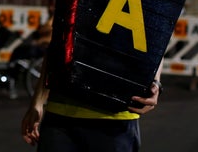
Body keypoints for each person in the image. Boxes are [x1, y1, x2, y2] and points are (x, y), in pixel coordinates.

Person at [20, 53, 162, 151]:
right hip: (62, 112)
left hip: (116, 117)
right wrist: (37, 102)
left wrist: (155, 83)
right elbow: (57, 41)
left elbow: (158, 36)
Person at [7, 0, 55, 99]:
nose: (50, 8)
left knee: (18, 54)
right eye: (49, 5)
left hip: (44, 48)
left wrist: (38, 40)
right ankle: (12, 76)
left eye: (52, 5)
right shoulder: (50, 17)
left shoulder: (55, 18)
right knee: (18, 53)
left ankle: (12, 79)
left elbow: (48, 33)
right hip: (42, 45)